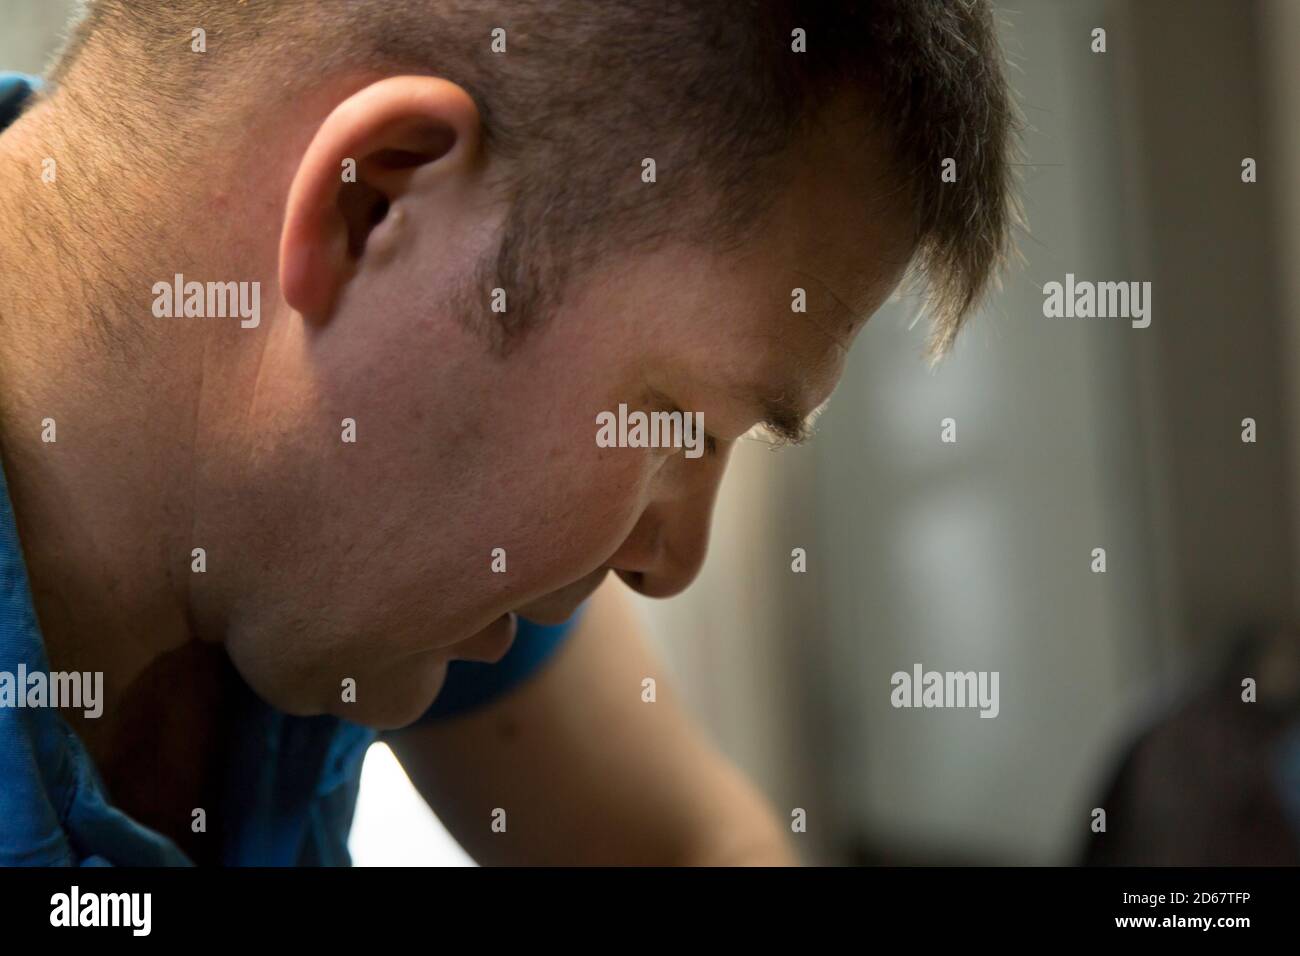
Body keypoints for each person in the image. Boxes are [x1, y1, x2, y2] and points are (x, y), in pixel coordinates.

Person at [0, 0, 1019, 865]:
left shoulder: (355, 515)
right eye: (681, 424)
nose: (672, 562)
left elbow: (690, 846)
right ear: (374, 203)